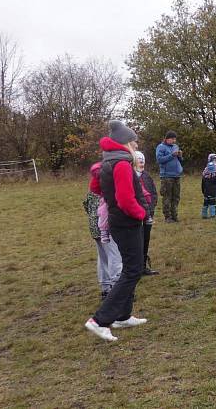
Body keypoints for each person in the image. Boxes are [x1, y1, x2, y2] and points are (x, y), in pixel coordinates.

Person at [84, 120, 148, 342]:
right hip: (126, 222)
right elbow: (124, 199)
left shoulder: (108, 162)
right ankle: (100, 320)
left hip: (119, 221)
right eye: (134, 141)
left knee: (133, 268)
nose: (136, 145)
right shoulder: (120, 164)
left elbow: (96, 189)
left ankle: (122, 315)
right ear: (125, 143)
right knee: (132, 270)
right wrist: (141, 213)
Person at [82, 162, 122, 300]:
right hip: (106, 228)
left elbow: (86, 205)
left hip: (94, 229)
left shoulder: (91, 190)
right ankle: (116, 288)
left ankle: (105, 288)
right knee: (114, 256)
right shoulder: (106, 190)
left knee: (103, 257)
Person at [134, 151, 159, 276]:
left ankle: (143, 267)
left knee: (145, 240)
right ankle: (135, 269)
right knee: (136, 242)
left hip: (148, 214)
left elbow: (153, 193)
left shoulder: (146, 176)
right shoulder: (130, 176)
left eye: (142, 159)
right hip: (136, 215)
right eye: (138, 159)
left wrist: (151, 207)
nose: (141, 162)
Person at [156, 130, 183, 223]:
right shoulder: (161, 147)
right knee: (167, 197)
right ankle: (167, 217)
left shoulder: (175, 146)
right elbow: (160, 160)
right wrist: (171, 155)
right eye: (172, 139)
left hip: (177, 175)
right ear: (167, 139)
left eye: (175, 139)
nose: (174, 141)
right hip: (166, 176)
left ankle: (175, 216)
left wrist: (180, 156)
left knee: (176, 197)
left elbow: (179, 160)